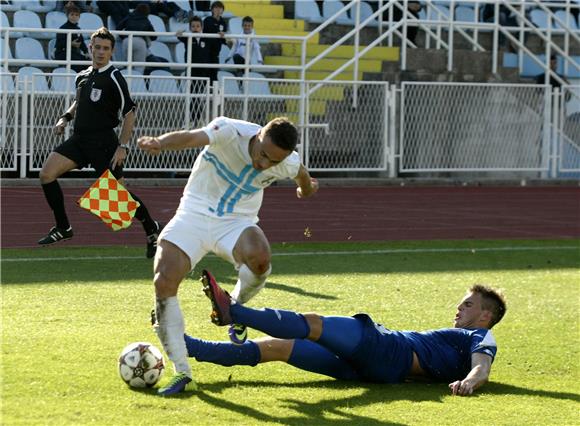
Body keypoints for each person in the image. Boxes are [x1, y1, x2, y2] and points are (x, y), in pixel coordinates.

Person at [138, 116, 319, 395]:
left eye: (272, 162)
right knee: (164, 281)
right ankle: (182, 373)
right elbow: (190, 137)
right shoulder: (229, 131)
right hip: (193, 215)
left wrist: (305, 189)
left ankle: (234, 308)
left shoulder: (286, 160)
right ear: (258, 135)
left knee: (260, 259)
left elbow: (302, 175)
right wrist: (160, 143)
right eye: (262, 155)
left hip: (236, 222)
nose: (263, 165)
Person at [188, 270, 506, 396]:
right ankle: (189, 345)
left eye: (467, 305)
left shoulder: (477, 337)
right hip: (374, 371)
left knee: (312, 323)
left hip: (386, 348)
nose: (458, 310)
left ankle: (234, 312)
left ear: (485, 315)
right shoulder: (457, 346)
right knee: (278, 348)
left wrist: (471, 381)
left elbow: (482, 367)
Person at [38, 27, 162, 259]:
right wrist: (64, 118)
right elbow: (79, 102)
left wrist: (122, 146)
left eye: (106, 48)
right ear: (90, 48)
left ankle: (151, 229)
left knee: (117, 198)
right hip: (79, 140)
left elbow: (130, 112)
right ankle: (63, 228)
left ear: (112, 51)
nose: (101, 52)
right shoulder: (82, 75)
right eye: (97, 47)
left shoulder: (114, 76)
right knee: (46, 174)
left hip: (104, 143)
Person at [118, 2, 156, 74]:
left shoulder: (129, 17)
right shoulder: (146, 20)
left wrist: (124, 37)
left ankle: (125, 83)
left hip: (127, 41)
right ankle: (137, 84)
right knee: (139, 67)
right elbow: (154, 37)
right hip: (140, 42)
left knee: (128, 65)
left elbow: (118, 28)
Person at [54, 4, 89, 73]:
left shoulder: (78, 29)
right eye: (72, 15)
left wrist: (86, 52)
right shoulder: (63, 28)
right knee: (78, 63)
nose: (74, 17)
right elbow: (59, 44)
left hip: (73, 53)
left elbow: (81, 43)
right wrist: (71, 43)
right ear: (67, 16)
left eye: (76, 15)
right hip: (62, 53)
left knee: (88, 62)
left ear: (79, 17)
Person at [203, 1, 227, 83]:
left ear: (222, 10)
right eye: (216, 8)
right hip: (206, 52)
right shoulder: (207, 20)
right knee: (206, 74)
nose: (218, 10)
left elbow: (223, 39)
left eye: (220, 8)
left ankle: (213, 93)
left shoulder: (223, 22)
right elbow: (208, 30)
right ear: (212, 9)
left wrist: (225, 35)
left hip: (216, 53)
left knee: (214, 74)